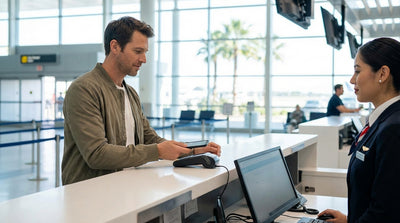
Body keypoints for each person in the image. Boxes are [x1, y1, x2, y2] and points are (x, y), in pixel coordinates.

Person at [62, 17, 221, 185]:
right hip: (89, 195)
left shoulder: (130, 93)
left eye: (145, 52)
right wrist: (158, 151)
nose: (144, 59)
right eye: (138, 51)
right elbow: (96, 154)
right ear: (115, 47)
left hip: (124, 188)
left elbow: (148, 138)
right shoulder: (84, 89)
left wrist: (192, 151)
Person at [318, 37, 400, 222]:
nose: (352, 79)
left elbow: (386, 214)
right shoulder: (384, 120)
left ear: (382, 73)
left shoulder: (393, 129)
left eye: (357, 71)